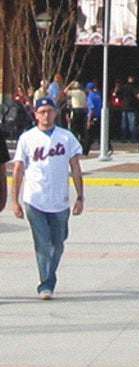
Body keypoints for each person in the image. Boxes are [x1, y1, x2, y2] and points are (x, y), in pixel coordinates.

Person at [9, 97, 84, 300]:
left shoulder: (66, 137)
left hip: (59, 200)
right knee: (42, 243)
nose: (46, 115)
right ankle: (46, 283)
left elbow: (76, 167)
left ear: (55, 113)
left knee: (58, 243)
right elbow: (18, 170)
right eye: (42, 111)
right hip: (35, 199)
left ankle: (49, 276)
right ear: (35, 114)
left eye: (49, 111)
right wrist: (15, 201)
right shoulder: (27, 138)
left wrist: (80, 197)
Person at [82, 82, 104, 155]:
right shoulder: (98, 95)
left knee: (88, 135)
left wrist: (89, 121)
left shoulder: (90, 96)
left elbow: (91, 108)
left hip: (92, 117)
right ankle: (107, 147)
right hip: (99, 116)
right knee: (99, 133)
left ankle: (85, 151)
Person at [119, 75, 139, 142]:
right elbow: (138, 96)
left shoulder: (124, 87)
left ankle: (123, 138)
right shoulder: (134, 87)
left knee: (124, 125)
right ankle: (133, 139)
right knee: (132, 125)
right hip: (132, 108)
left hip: (125, 107)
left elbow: (117, 93)